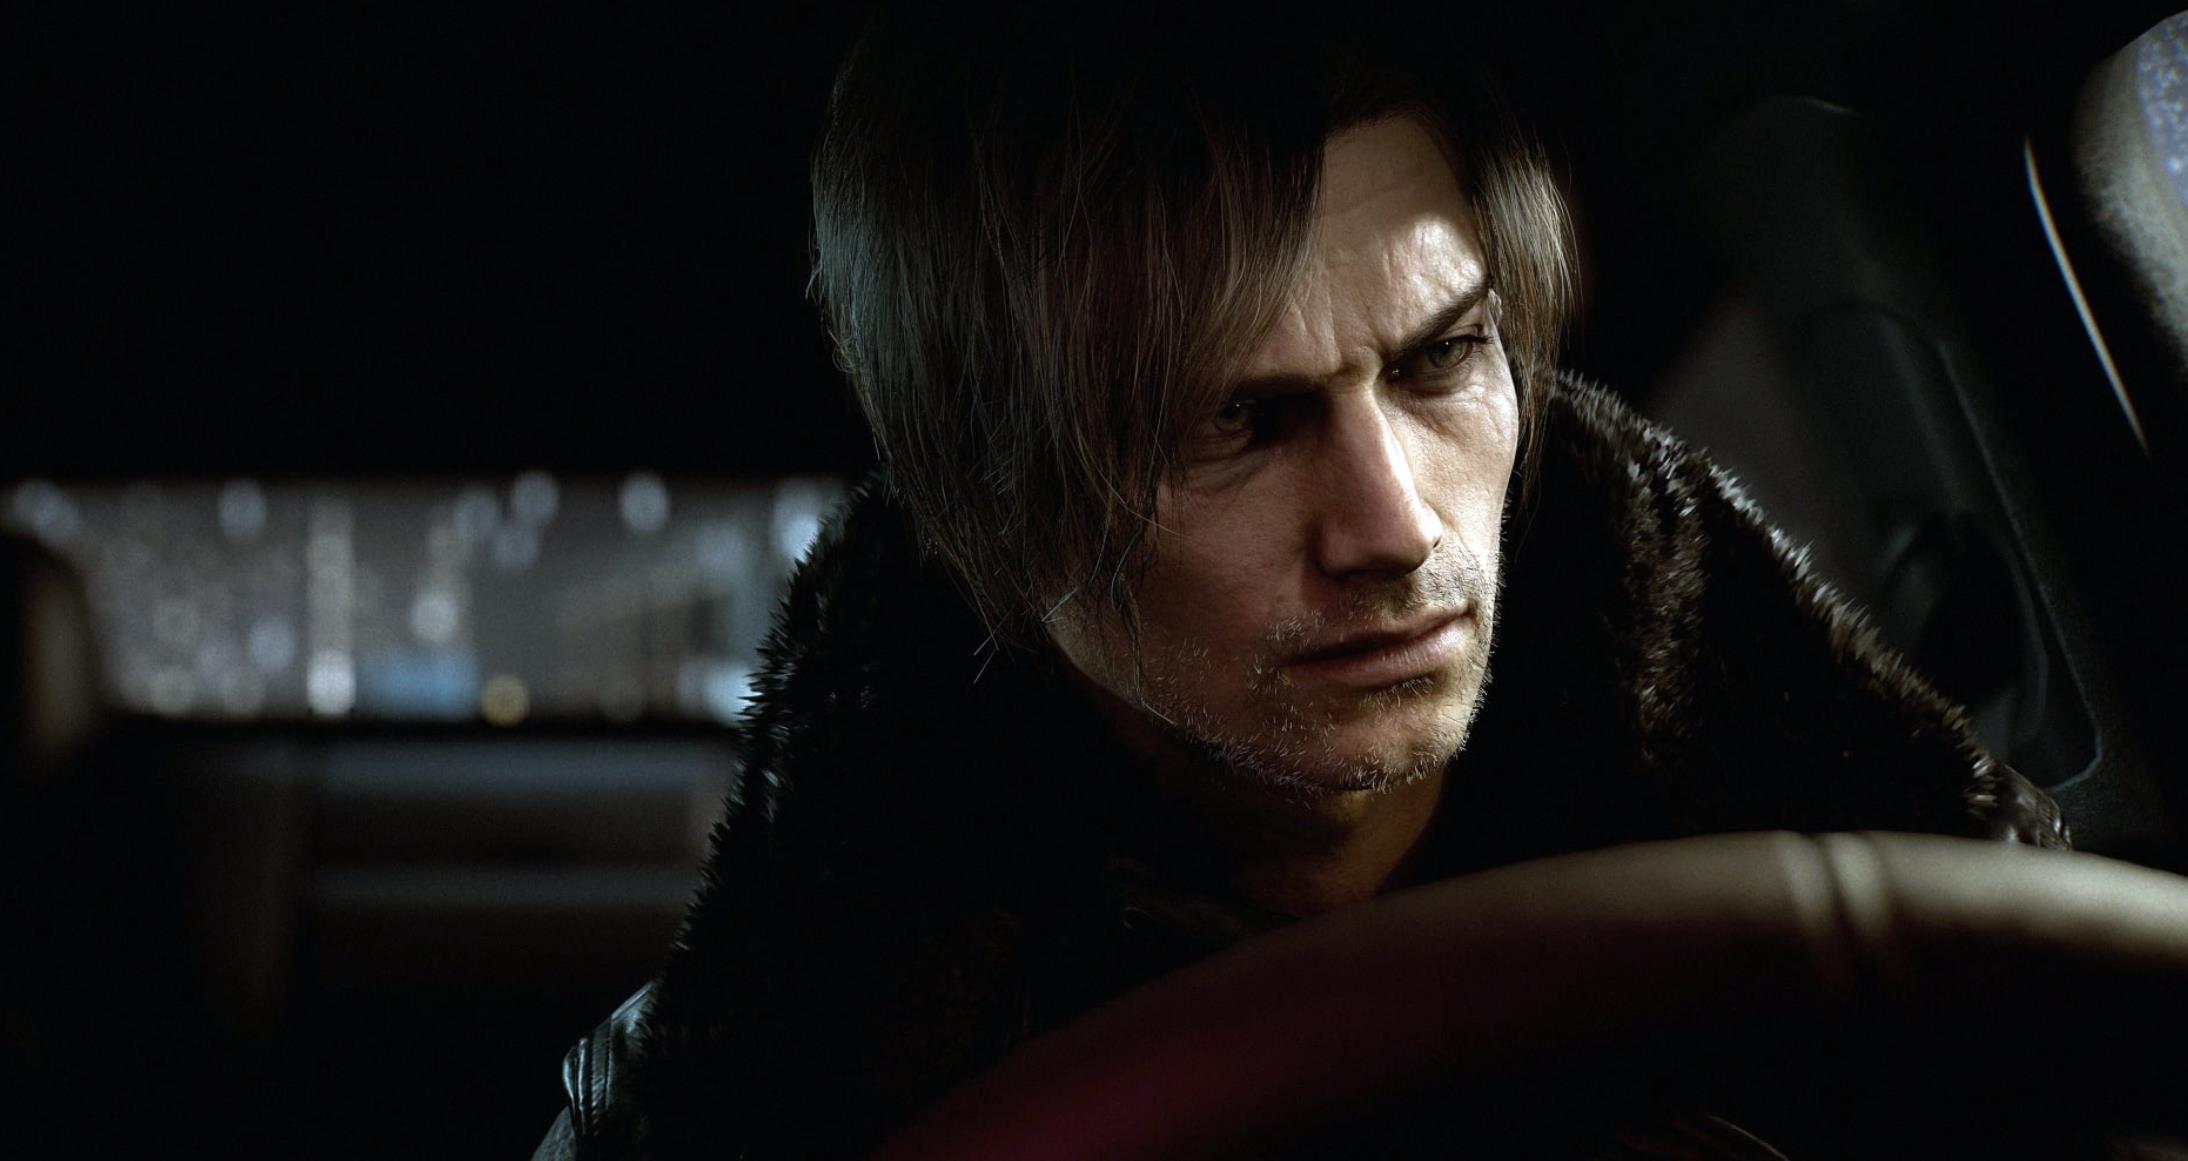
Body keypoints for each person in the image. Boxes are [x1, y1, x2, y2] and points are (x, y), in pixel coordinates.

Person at [530, 7, 2068, 1157]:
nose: (1392, 527)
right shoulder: (777, 1089)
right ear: (993, 496)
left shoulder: (1941, 954)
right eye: (1237, 422)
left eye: (1442, 358)